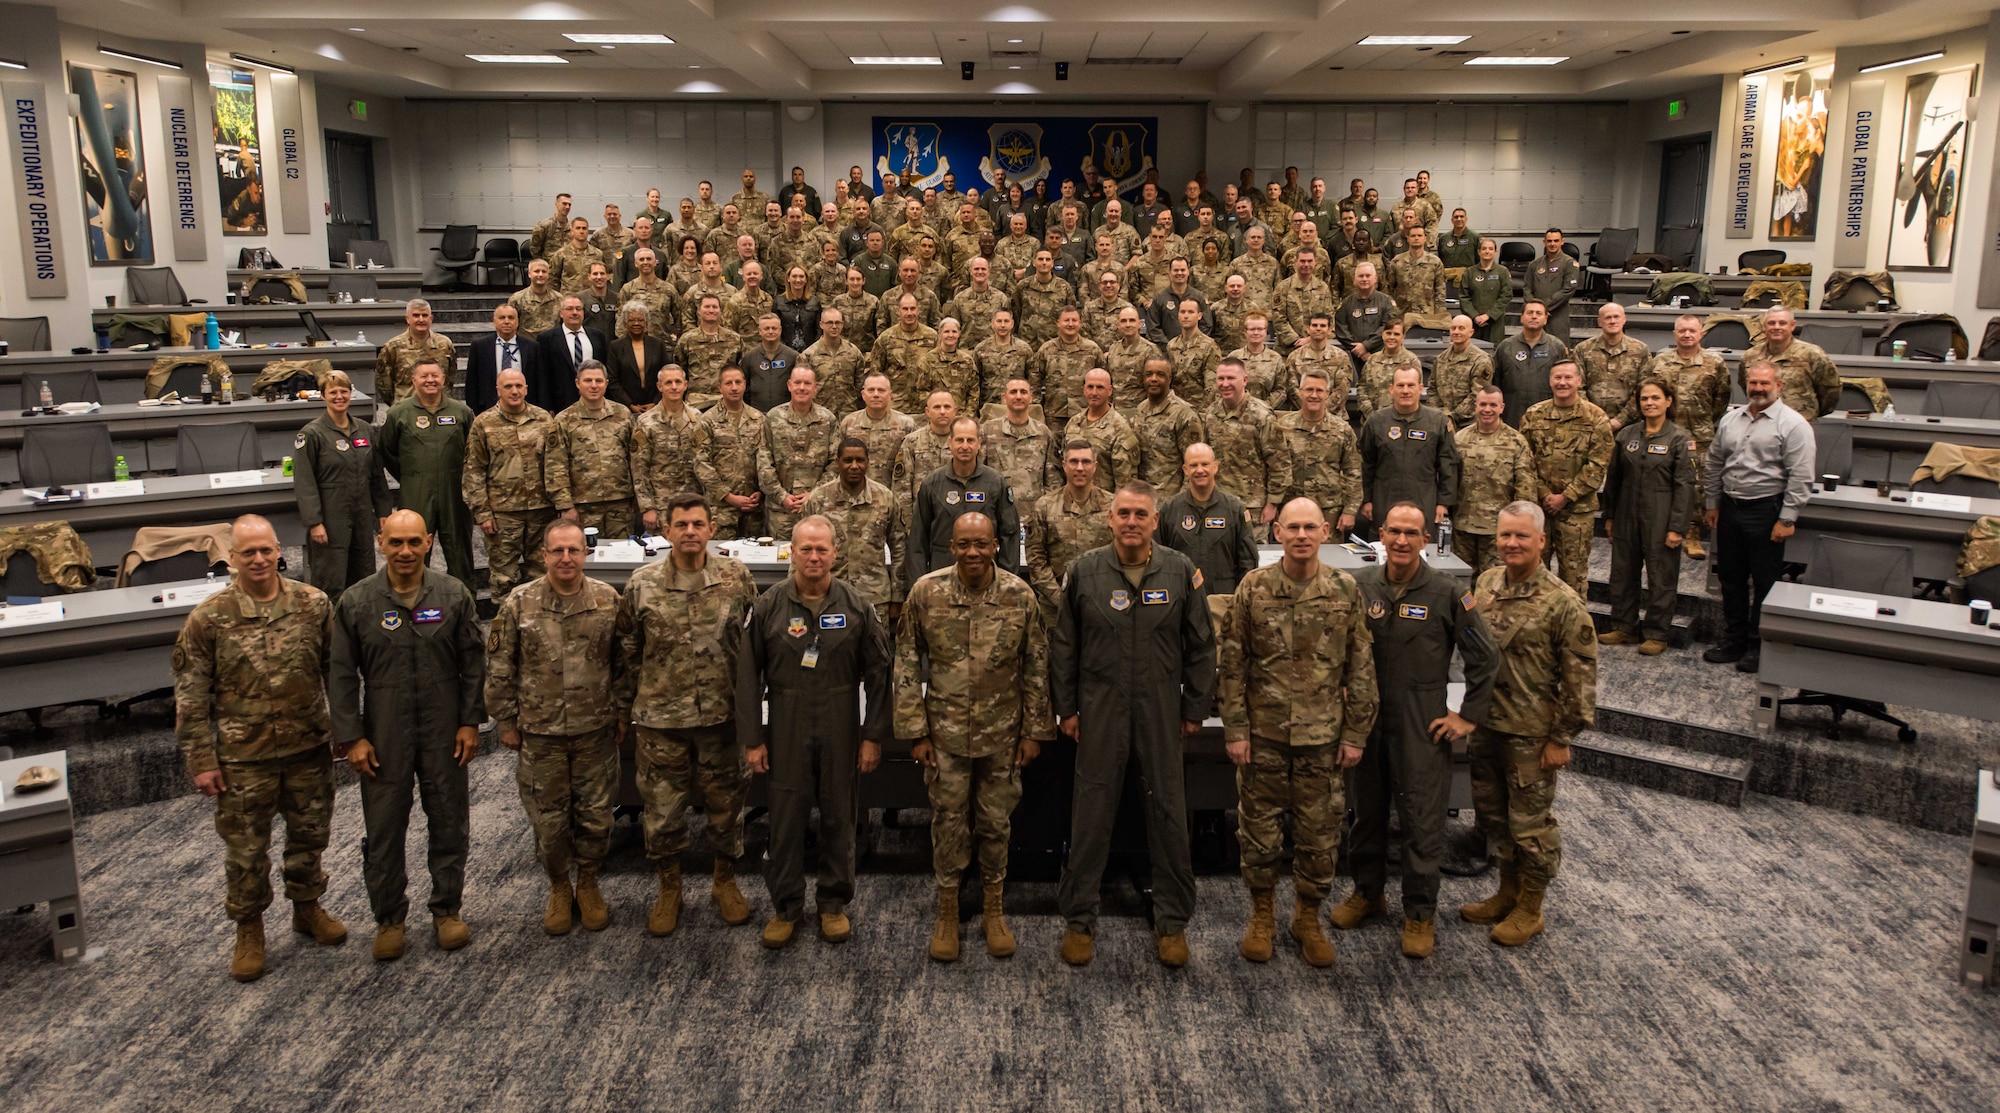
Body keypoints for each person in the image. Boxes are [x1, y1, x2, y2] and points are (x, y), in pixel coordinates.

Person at [174, 515, 347, 982]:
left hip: (308, 746)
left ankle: (307, 907)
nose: (257, 559)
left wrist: (347, 731)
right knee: (247, 852)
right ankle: (249, 929)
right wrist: (201, 760)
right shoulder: (208, 619)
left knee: (310, 837)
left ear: (278, 551)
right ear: (232, 558)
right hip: (242, 758)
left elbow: (339, 673)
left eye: (265, 550)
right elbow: (191, 696)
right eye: (247, 552)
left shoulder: (313, 605)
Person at [1053, 482, 1215, 968]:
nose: (1130, 521)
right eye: (1123, 513)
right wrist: (1067, 709)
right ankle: (1079, 918)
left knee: (1168, 810)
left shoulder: (1181, 570)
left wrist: (1194, 708)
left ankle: (1172, 921)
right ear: (1110, 517)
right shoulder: (1084, 571)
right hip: (1100, 707)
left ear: (1155, 519)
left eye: (1140, 514)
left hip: (1160, 707)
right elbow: (1064, 647)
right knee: (1091, 812)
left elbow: (1202, 645)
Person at [1217, 498, 1378, 967]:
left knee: (1320, 836)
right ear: (1278, 533)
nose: (1302, 535)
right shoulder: (1254, 587)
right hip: (1263, 735)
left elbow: (1361, 667)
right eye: (1293, 527)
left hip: (1323, 739)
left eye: (1311, 527)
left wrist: (1355, 734)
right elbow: (1231, 663)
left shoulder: (1345, 589)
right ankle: (1262, 915)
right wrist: (1235, 728)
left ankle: (1307, 917)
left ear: (1325, 531)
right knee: (1259, 835)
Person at [1336, 503, 1497, 960]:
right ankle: (1368, 894)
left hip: (1420, 722)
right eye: (1394, 532)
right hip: (1367, 722)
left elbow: (1484, 657)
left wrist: (1466, 716)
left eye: (1412, 533)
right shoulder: (1361, 586)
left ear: (1426, 539)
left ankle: (1420, 912)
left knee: (1422, 823)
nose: (1402, 541)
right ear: (1381, 536)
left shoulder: (1447, 593)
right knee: (1365, 814)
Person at [895, 513, 1054, 962]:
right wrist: (914, 731)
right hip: (944, 734)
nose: (972, 552)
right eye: (964, 544)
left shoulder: (1018, 595)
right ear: (951, 546)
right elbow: (906, 660)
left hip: (1003, 734)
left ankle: (992, 907)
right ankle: (947, 910)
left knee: (995, 823)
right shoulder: (926, 592)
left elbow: (1037, 664)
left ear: (996, 546)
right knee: (948, 822)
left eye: (981, 543)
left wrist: (1034, 731)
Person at [328, 510, 484, 961]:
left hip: (444, 728)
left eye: (414, 541)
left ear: (429, 541)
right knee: (383, 829)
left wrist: (471, 722)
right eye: (396, 542)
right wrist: (352, 736)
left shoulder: (453, 595)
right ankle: (389, 918)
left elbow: (473, 664)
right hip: (383, 732)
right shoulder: (357, 602)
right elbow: (340, 675)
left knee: (449, 820)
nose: (405, 551)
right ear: (380, 542)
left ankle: (447, 910)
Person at [738, 516, 894, 948]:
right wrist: (753, 739)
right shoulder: (769, 605)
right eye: (805, 548)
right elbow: (748, 676)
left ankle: (832, 903)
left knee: (839, 816)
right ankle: (786, 906)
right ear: (792, 551)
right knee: (785, 819)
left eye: (821, 549)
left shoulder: (857, 605)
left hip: (840, 719)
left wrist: (872, 735)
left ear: (835, 553)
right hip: (786, 720)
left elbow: (880, 672)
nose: (813, 556)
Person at [619, 493, 761, 937]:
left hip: (722, 717)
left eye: (698, 524)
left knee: (727, 807)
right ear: (666, 531)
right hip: (663, 720)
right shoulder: (641, 584)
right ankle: (669, 888)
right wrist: (633, 704)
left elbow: (755, 643)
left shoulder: (737, 578)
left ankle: (725, 881)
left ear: (712, 529)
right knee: (662, 812)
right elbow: (627, 651)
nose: (690, 532)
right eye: (681, 525)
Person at [486, 519, 635, 936]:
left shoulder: (608, 600)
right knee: (549, 823)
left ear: (585, 554)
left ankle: (587, 883)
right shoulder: (519, 603)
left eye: (573, 550)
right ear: (543, 554)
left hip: (596, 731)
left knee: (596, 817)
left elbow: (622, 665)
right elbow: (500, 667)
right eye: (557, 551)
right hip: (540, 733)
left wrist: (623, 714)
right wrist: (505, 721)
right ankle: (557, 886)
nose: (566, 558)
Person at [1461, 501, 1597, 946]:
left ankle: (1532, 906)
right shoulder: (1486, 583)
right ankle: (1507, 891)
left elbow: (1580, 679)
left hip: (1532, 732)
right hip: (1486, 723)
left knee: (1531, 826)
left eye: (1521, 536)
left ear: (1542, 540)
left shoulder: (1563, 602)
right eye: (1505, 535)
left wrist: (1561, 737)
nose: (1511, 543)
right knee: (1494, 816)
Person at [1702, 361, 1816, 673]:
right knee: (1731, 578)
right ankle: (1734, 639)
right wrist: (1712, 502)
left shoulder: (1793, 425)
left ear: (1779, 386)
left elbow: (1802, 476)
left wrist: (1788, 518)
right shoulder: (1731, 419)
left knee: (1764, 582)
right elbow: (1714, 462)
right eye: (1753, 383)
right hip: (1730, 508)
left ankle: (1757, 644)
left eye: (1765, 384)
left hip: (1767, 511)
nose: (1758, 389)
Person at [1600, 379, 1698, 655]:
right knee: (1622, 573)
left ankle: (1657, 632)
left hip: (1662, 514)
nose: (1649, 403)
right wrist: (1610, 516)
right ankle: (1624, 626)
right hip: (1626, 513)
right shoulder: (1626, 436)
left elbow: (1685, 486)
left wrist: (1678, 526)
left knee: (1661, 576)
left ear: (1668, 401)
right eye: (1644, 399)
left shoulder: (1680, 438)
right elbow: (1614, 481)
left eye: (1655, 398)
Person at [378, 359, 476, 596]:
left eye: (435, 375)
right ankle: (413, 599)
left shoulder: (461, 412)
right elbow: (387, 451)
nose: (430, 380)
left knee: (459, 551)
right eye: (424, 376)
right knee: (412, 549)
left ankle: (464, 605)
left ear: (443, 379)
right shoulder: (398, 413)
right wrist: (411, 476)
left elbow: (472, 451)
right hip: (415, 491)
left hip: (455, 493)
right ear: (414, 380)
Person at [295, 369, 392, 602]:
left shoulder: (365, 429)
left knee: (364, 573)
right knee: (332, 576)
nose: (339, 396)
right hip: (330, 516)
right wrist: (314, 522)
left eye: (344, 391)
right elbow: (304, 481)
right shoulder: (312, 434)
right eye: (333, 392)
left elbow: (376, 474)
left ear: (351, 394)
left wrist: (383, 512)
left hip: (362, 514)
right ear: (323, 396)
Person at [462, 368, 556, 606]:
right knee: (504, 579)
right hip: (503, 515)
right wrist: (482, 513)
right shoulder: (483, 423)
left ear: (526, 388)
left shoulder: (544, 418)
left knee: (543, 576)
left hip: (541, 511)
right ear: (498, 390)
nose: (514, 391)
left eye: (518, 386)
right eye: (508, 387)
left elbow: (556, 463)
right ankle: (504, 633)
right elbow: (473, 470)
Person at [1520, 361, 1614, 595]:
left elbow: (1599, 463)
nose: (1562, 382)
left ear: (1579, 381)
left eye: (1568, 378)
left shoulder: (1596, 417)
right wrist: (1544, 494)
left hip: (1577, 511)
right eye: (1557, 378)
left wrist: (1565, 497)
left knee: (1574, 579)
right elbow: (1524, 460)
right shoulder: (1534, 414)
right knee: (1533, 575)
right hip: (1539, 510)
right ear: (1550, 381)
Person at [1645, 314, 1733, 559]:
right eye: (1682, 330)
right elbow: (1650, 393)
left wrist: (1703, 419)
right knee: (1661, 480)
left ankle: (1692, 534)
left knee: (1696, 486)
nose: (1686, 335)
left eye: (1692, 331)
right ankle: (1661, 527)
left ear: (1701, 334)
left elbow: (1721, 399)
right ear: (1674, 334)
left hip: (1699, 434)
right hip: (1665, 432)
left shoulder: (1714, 363)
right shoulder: (1660, 362)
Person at [802, 437, 907, 618]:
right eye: (848, 460)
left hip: (874, 597)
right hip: (827, 595)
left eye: (860, 460)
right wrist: (796, 592)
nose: (854, 466)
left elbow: (899, 548)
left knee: (874, 646)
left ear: (868, 462)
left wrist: (897, 596)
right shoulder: (818, 499)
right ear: (838, 463)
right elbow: (800, 549)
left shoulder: (885, 498)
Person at [909, 416, 1020, 584]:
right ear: (950, 441)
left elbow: (1010, 536)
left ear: (979, 443)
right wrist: (917, 585)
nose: (965, 446)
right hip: (941, 578)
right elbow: (918, 540)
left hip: (985, 579)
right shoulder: (931, 484)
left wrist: (1007, 582)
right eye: (960, 440)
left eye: (970, 440)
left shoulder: (996, 483)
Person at [1359, 364, 1459, 534]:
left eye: (1411, 385)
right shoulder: (1376, 422)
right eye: (1400, 385)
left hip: (1424, 501)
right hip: (1384, 500)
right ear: (1391, 389)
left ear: (1420, 388)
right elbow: (1365, 464)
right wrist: (1366, 499)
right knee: (1383, 546)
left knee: (1422, 545)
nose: (1405, 391)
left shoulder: (1438, 422)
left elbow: (1448, 465)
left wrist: (1443, 502)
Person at [546, 360, 638, 539]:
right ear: (577, 383)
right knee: (585, 558)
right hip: (582, 506)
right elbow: (555, 466)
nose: (594, 386)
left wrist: (637, 496)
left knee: (621, 557)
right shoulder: (564, 420)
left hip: (619, 503)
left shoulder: (623, 414)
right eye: (588, 381)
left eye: (599, 381)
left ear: (606, 383)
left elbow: (635, 458)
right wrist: (565, 505)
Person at [1452, 384, 1537, 572]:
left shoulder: (1516, 442)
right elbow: (1449, 481)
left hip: (1498, 530)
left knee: (1494, 587)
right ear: (1476, 406)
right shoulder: (1459, 439)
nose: (1487, 410)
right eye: (1482, 404)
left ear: (1502, 408)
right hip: (1462, 528)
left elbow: (1526, 489)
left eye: (1492, 405)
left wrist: (1519, 527)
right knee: (1463, 586)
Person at [1157, 443, 1259, 596]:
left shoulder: (1235, 509)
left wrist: (1241, 599)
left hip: (1223, 600)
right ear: (1185, 470)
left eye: (1205, 464)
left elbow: (1248, 562)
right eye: (1193, 465)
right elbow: (1158, 558)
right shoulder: (1170, 510)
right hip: (1181, 599)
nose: (1200, 470)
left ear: (1215, 467)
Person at [757, 365, 839, 540]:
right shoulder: (773, 418)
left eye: (807, 383)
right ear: (789, 385)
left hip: (818, 507)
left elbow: (835, 464)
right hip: (781, 510)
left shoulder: (828, 420)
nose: (802, 387)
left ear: (815, 388)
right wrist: (782, 496)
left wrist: (815, 494)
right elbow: (764, 463)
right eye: (798, 382)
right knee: (780, 562)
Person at [1278, 367, 1363, 535]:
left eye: (1319, 390)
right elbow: (1273, 467)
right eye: (1309, 389)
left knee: (1328, 558)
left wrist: (1350, 511)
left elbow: (1353, 472)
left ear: (1327, 393)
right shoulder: (1282, 426)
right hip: (1290, 507)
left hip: (1328, 511)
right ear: (1300, 392)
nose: (1314, 395)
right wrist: (1273, 503)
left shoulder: (1341, 429)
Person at [1741, 307, 1841, 422]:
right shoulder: (1750, 356)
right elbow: (1748, 388)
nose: (1776, 327)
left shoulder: (1812, 355)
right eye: (1771, 323)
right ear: (1764, 326)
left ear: (1792, 325)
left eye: (1782, 323)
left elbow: (1830, 393)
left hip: (1801, 424)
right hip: (1761, 423)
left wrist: (1810, 413)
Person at [1575, 302, 1652, 430]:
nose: (1612, 321)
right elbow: (1577, 387)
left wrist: (1620, 421)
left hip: (1629, 426)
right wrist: (1593, 417)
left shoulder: (1640, 350)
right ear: (1599, 322)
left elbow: (1643, 389)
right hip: (1590, 424)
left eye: (1616, 317)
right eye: (1608, 318)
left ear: (1624, 320)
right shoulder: (1583, 349)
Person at [1492, 300, 1569, 428]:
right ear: (1521, 317)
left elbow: (1565, 385)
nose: (1534, 316)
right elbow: (1495, 383)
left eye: (1538, 313)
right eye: (1530, 313)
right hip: (1511, 418)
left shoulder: (1557, 347)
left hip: (1547, 420)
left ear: (1546, 318)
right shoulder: (1506, 347)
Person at [373, 299, 456, 412]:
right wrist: (398, 404)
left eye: (425, 315)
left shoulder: (445, 345)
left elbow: (449, 377)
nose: (421, 319)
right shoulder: (393, 347)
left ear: (431, 319)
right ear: (408, 319)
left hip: (438, 409)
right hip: (405, 410)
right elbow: (383, 383)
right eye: (416, 315)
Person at [468, 303, 543, 415]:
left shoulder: (532, 347)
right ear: (494, 321)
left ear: (517, 322)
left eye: (511, 318)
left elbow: (540, 381)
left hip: (525, 409)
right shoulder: (480, 346)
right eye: (502, 318)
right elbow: (472, 382)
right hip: (488, 408)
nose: (507, 321)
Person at [537, 295, 609, 412]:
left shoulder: (597, 336)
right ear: (561, 313)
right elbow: (543, 375)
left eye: (578, 309)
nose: (575, 312)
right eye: (569, 309)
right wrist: (547, 407)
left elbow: (604, 369)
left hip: (594, 402)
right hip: (561, 403)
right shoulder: (547, 338)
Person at [1432, 314, 1495, 428]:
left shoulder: (1481, 360)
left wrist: (1452, 417)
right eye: (1453, 328)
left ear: (1471, 332)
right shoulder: (1441, 358)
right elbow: (1432, 389)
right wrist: (1439, 413)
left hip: (1469, 424)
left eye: (1461, 328)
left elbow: (1477, 395)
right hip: (1441, 422)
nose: (1456, 332)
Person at [606, 301, 669, 411]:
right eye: (631, 320)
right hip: (625, 407)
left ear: (646, 322)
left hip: (656, 406)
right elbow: (612, 380)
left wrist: (655, 402)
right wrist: (629, 404)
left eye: (640, 320)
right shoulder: (615, 347)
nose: (636, 323)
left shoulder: (658, 345)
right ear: (625, 323)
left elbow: (666, 375)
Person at [1524, 229, 1581, 343]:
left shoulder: (1569, 263)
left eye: (1556, 241)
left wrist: (1545, 307)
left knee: (1558, 348)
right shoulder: (1534, 264)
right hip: (1536, 316)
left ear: (1562, 242)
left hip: (1557, 314)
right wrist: (1535, 309)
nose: (1552, 244)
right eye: (1549, 241)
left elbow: (1568, 289)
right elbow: (1527, 288)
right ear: (1544, 242)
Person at [1458, 238, 1510, 346]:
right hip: (1473, 322)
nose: (1487, 251)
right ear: (1479, 252)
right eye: (1484, 248)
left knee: (1493, 353)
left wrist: (1488, 315)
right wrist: (1475, 316)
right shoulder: (1469, 272)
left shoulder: (1502, 272)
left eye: (1491, 249)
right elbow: (1464, 297)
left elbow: (1506, 296)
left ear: (1496, 252)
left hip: (1495, 323)